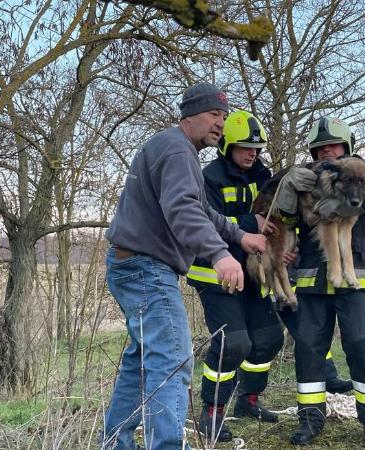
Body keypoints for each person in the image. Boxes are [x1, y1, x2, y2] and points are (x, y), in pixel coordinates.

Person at [103, 83, 267, 450]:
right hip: (146, 269)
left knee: (142, 362)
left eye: (224, 117)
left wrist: (240, 237)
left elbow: (204, 211)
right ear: (189, 113)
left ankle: (116, 443)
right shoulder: (177, 149)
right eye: (214, 114)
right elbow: (183, 209)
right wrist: (220, 254)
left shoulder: (177, 150)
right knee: (174, 359)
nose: (220, 124)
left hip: (135, 265)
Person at [277, 116, 365, 446]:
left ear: (347, 147)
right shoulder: (307, 178)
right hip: (312, 277)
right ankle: (311, 420)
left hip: (355, 275)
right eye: (320, 147)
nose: (327, 151)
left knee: (360, 342)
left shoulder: (361, 171)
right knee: (309, 348)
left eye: (334, 145)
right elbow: (286, 219)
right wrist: (288, 188)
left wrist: (344, 203)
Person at [185, 109, 284, 442]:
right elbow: (205, 221)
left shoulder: (263, 175)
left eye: (256, 149)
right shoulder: (208, 177)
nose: (251, 154)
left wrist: (280, 245)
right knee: (233, 344)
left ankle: (248, 400)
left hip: (253, 273)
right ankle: (211, 412)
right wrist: (248, 224)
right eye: (244, 147)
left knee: (270, 338)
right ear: (226, 145)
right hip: (214, 273)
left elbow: (272, 217)